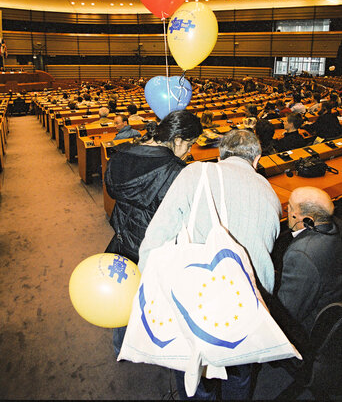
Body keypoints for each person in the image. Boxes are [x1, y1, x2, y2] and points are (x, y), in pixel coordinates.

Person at [139, 129, 282, 400]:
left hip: (199, 297)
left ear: (220, 154)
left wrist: (147, 289)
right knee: (239, 374)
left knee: (196, 375)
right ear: (257, 159)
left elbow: (157, 235)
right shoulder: (269, 191)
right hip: (251, 303)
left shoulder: (195, 173)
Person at [104, 110, 203, 356]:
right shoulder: (176, 170)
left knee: (122, 295)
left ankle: (120, 346)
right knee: (148, 297)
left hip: (122, 235)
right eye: (189, 144)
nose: (189, 151)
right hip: (152, 245)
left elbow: (112, 190)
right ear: (177, 138)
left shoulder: (121, 152)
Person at [272, 186, 342, 352]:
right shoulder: (337, 226)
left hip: (312, 331)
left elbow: (287, 311)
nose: (286, 210)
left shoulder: (302, 254)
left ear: (307, 220)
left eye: (290, 207)